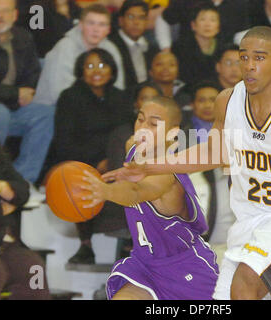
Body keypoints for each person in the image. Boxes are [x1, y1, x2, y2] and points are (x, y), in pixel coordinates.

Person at [107, 26, 271, 300]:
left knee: (245, 285)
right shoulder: (229, 100)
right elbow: (213, 152)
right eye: (244, 57)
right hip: (248, 219)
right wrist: (150, 167)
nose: (249, 66)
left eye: (259, 57)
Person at [81, 96, 219, 300]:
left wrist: (105, 192)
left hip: (186, 270)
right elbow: (132, 143)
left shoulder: (167, 175)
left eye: (153, 124)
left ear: (172, 133)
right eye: (140, 119)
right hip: (145, 265)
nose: (142, 128)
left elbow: (136, 192)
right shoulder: (134, 149)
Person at [51, 48, 134, 264]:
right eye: (89, 66)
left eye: (101, 65)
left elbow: (127, 134)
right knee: (80, 180)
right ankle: (85, 246)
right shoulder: (69, 97)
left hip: (117, 160)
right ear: (80, 71)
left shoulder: (121, 97)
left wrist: (113, 161)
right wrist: (98, 163)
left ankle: (128, 242)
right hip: (81, 160)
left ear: (112, 70)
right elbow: (64, 141)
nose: (96, 71)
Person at [0, 0, 55, 185]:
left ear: (15, 15)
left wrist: (28, 93)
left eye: (5, 11)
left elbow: (33, 73)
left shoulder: (23, 37)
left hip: (12, 105)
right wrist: (15, 94)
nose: (0, 16)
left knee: (45, 114)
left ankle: (21, 182)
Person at [0, 111, 50, 300]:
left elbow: (23, 192)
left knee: (34, 268)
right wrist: (0, 206)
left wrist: (1, 187)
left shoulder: (0, 163)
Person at [182, 81, 235, 266]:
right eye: (201, 100)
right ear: (193, 104)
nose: (207, 105)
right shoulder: (183, 135)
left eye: (212, 100)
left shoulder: (236, 131)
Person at [32, 3, 125, 107]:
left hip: (96, 108)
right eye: (91, 23)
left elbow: (118, 86)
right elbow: (60, 94)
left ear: (108, 29)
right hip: (52, 108)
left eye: (102, 24)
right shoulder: (65, 47)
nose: (96, 29)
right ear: (80, 25)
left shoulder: (111, 49)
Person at [155, 0, 249, 51]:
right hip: (186, 57)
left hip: (222, 62)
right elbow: (163, 19)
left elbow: (242, 32)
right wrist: (165, 48)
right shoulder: (186, 2)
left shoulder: (240, 4)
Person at [108, 0, 159, 89]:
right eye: (131, 17)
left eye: (141, 18)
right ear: (121, 21)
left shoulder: (152, 49)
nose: (136, 22)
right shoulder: (110, 46)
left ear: (146, 22)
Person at [171, 3, 224, 87]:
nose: (207, 24)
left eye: (213, 20)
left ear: (218, 27)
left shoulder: (223, 48)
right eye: (202, 19)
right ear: (193, 25)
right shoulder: (180, 47)